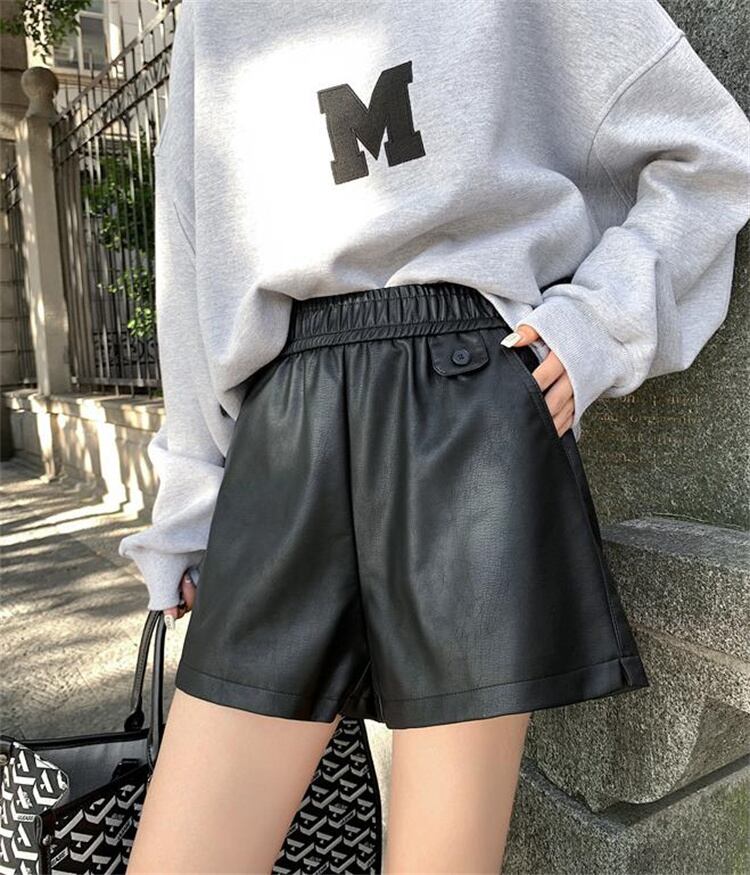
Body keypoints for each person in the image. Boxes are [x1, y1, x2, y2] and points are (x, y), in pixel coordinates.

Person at [121, 0, 750, 871]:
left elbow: (711, 150)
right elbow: (191, 242)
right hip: (287, 417)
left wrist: (596, 325)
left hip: (468, 408)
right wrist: (188, 505)